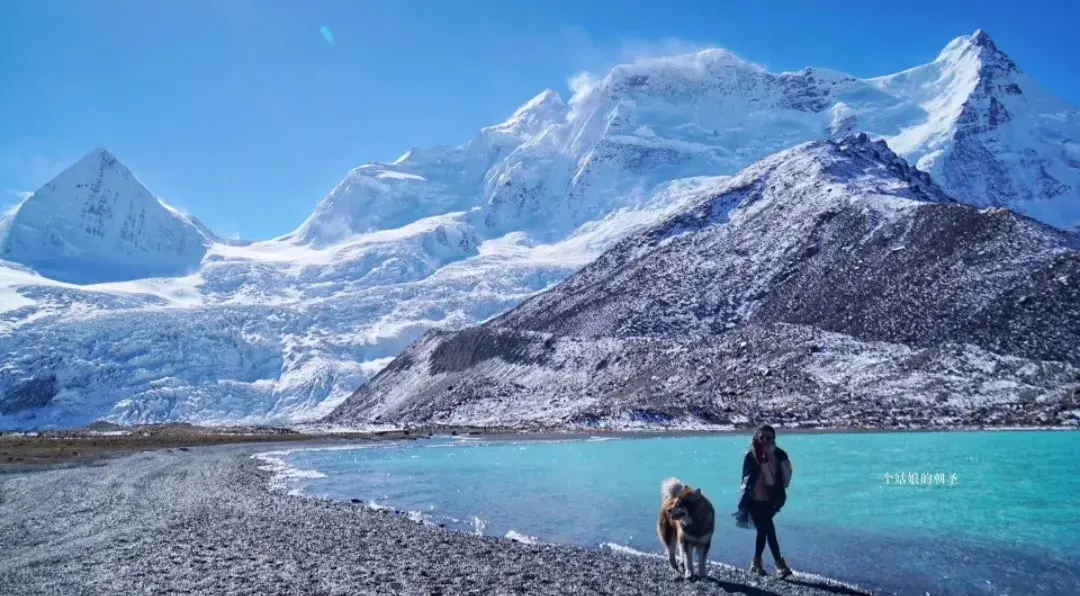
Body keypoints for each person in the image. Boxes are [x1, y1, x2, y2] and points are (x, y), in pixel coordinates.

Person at [735, 424, 793, 578]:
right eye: (762, 437)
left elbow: (786, 478)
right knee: (767, 530)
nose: (765, 440)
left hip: (772, 501)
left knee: (764, 530)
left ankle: (756, 563)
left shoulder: (780, 455)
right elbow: (745, 478)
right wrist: (743, 498)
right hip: (753, 501)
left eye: (769, 437)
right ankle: (779, 565)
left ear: (774, 439)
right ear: (757, 438)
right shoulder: (750, 455)